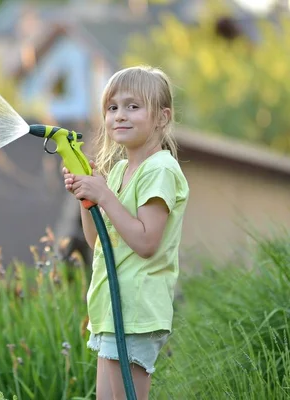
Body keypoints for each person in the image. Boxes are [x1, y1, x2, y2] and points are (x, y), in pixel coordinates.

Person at [63, 65, 190, 400]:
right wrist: (87, 196)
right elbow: (100, 241)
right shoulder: (120, 170)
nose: (120, 115)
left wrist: (104, 195)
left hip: (137, 310)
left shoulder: (160, 169)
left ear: (162, 117)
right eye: (112, 107)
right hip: (113, 307)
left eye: (133, 106)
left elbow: (146, 242)